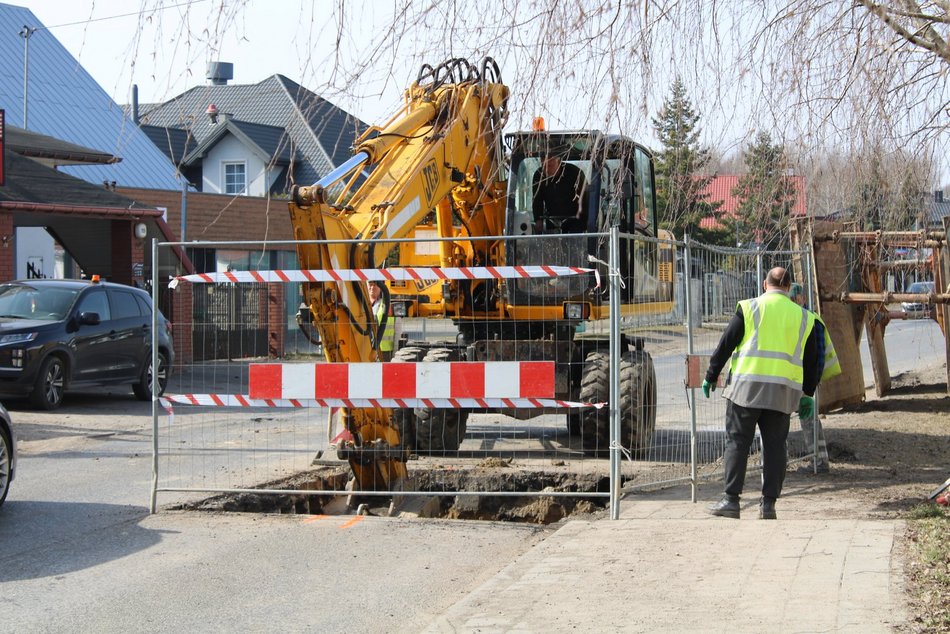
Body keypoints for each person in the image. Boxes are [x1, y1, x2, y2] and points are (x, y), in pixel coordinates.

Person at [701, 267, 823, 520]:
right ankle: (768, 505)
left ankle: (731, 501)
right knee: (776, 447)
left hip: (746, 390)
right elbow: (813, 360)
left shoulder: (749, 308)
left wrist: (711, 374)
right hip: (782, 394)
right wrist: (807, 393)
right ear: (789, 288)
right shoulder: (804, 317)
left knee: (738, 443)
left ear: (765, 285)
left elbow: (726, 343)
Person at [789, 282, 841, 474]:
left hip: (805, 382)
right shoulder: (792, 319)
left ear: (802, 299)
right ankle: (817, 460)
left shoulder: (811, 320)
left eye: (795, 299)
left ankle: (819, 461)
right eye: (790, 299)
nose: (793, 302)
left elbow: (818, 357)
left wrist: (810, 387)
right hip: (792, 379)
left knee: (809, 420)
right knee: (802, 420)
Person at [532, 155, 586, 231]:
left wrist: (585, 221)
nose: (546, 170)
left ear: (558, 161)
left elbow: (585, 199)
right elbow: (537, 200)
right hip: (551, 220)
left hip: (575, 220)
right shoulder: (539, 176)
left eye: (549, 166)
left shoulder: (575, 173)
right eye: (544, 166)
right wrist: (538, 219)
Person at [368, 281, 395, 361]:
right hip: (366, 348)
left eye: (375, 285)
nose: (372, 287)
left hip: (384, 351)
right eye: (370, 284)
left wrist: (396, 351)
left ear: (381, 287)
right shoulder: (361, 305)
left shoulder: (386, 305)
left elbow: (397, 327)